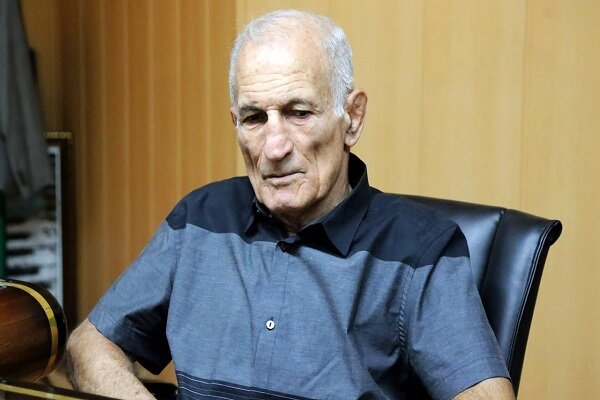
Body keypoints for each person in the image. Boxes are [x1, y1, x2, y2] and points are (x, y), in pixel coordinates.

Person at [66, 9, 515, 400]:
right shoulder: (199, 220)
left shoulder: (420, 249)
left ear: (352, 118)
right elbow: (88, 345)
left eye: (299, 113)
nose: (274, 146)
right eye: (254, 118)